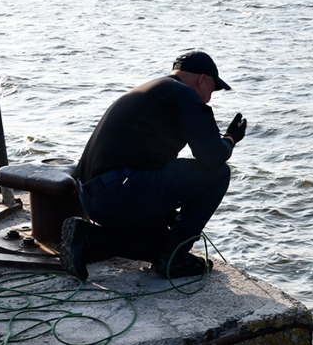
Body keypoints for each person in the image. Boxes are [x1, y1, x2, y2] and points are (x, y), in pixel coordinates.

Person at [59, 50, 247, 280]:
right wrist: (231, 138)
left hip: (93, 198)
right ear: (202, 80)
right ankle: (175, 260)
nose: (209, 98)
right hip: (119, 191)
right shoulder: (184, 93)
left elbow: (145, 160)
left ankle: (87, 236)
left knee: (159, 247)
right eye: (212, 89)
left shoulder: (153, 91)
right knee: (219, 174)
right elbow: (213, 157)